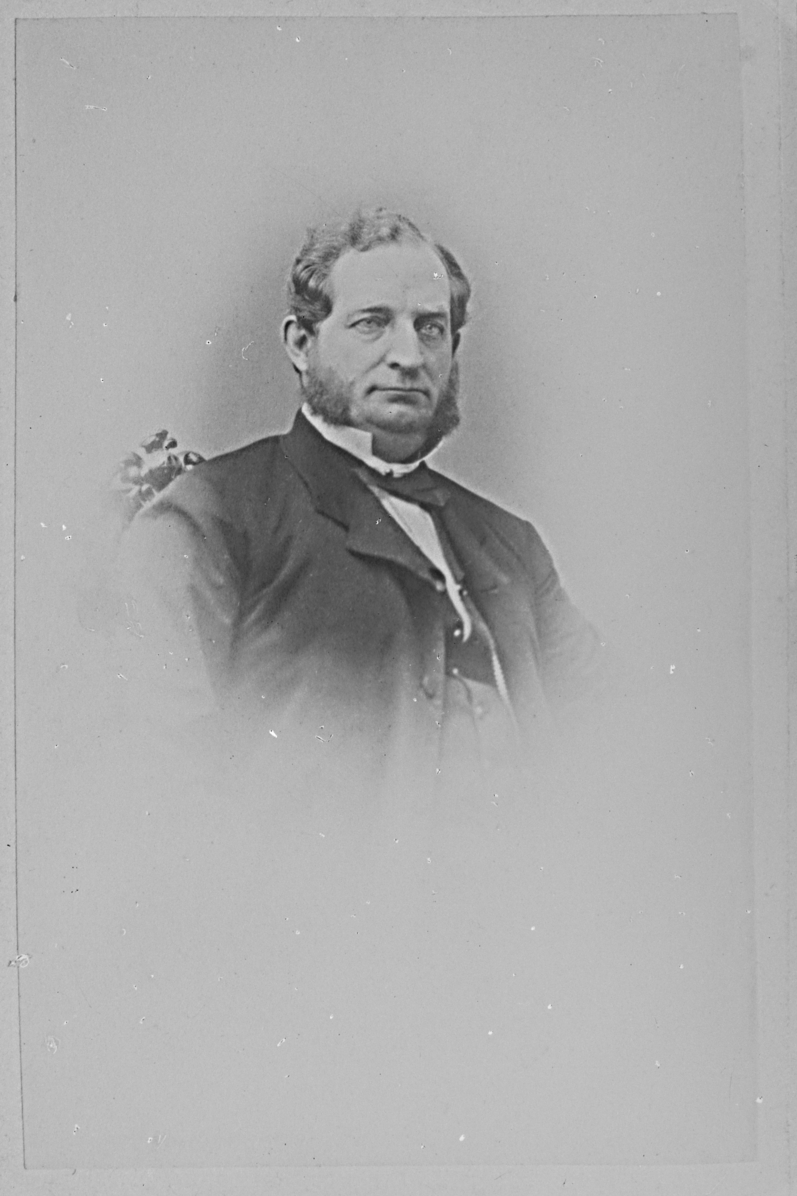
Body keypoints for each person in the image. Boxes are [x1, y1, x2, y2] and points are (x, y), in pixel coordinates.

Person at [112, 207, 607, 812]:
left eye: (431, 328)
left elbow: (611, 735)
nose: (409, 356)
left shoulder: (511, 544)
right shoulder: (209, 517)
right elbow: (157, 771)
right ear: (301, 344)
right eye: (373, 323)